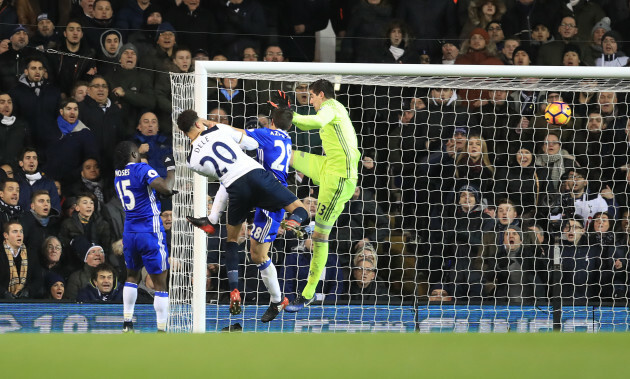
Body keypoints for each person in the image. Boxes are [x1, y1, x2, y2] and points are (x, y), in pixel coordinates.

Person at [176, 109, 310, 316]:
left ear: (184, 133)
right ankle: (294, 222)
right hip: (261, 178)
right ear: (198, 123)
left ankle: (235, 289)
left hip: (237, 189)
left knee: (233, 241)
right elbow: (252, 144)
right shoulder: (220, 129)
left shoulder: (192, 161)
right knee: (298, 210)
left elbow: (217, 176)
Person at [207, 107, 296, 322]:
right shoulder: (287, 138)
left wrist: (208, 124)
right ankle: (277, 299)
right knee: (255, 253)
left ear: (271, 122)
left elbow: (235, 132)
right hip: (264, 192)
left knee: (258, 255)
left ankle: (277, 300)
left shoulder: (265, 134)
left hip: (270, 198)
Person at [281, 79, 361, 311]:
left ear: (321, 95)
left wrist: (292, 116)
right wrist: (285, 116)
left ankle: (307, 293)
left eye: (313, 97)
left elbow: (314, 122)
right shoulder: (330, 109)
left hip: (339, 181)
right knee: (286, 153)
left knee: (319, 237)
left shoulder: (331, 107)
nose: (312, 101)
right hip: (327, 166)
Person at [113, 141, 175, 332]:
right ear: (133, 155)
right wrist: (171, 167)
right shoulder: (141, 168)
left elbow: (143, 193)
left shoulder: (117, 175)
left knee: (132, 276)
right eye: (137, 152)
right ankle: (162, 329)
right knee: (160, 283)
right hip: (150, 230)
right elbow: (166, 187)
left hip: (130, 232)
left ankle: (127, 323)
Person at [1, 220, 42, 299]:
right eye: (15, 232)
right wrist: (4, 293)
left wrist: (28, 291)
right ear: (6, 235)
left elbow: (38, 279)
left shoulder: (31, 254)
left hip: (24, 302)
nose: (19, 235)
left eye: (21, 231)